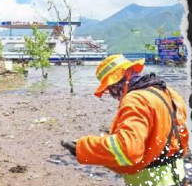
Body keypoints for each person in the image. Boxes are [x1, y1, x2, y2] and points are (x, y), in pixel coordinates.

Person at [61, 54, 189, 186]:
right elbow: (181, 137)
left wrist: (83, 147)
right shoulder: (167, 92)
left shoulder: (136, 100)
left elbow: (127, 150)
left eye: (110, 88)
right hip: (178, 177)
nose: (112, 93)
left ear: (120, 81)